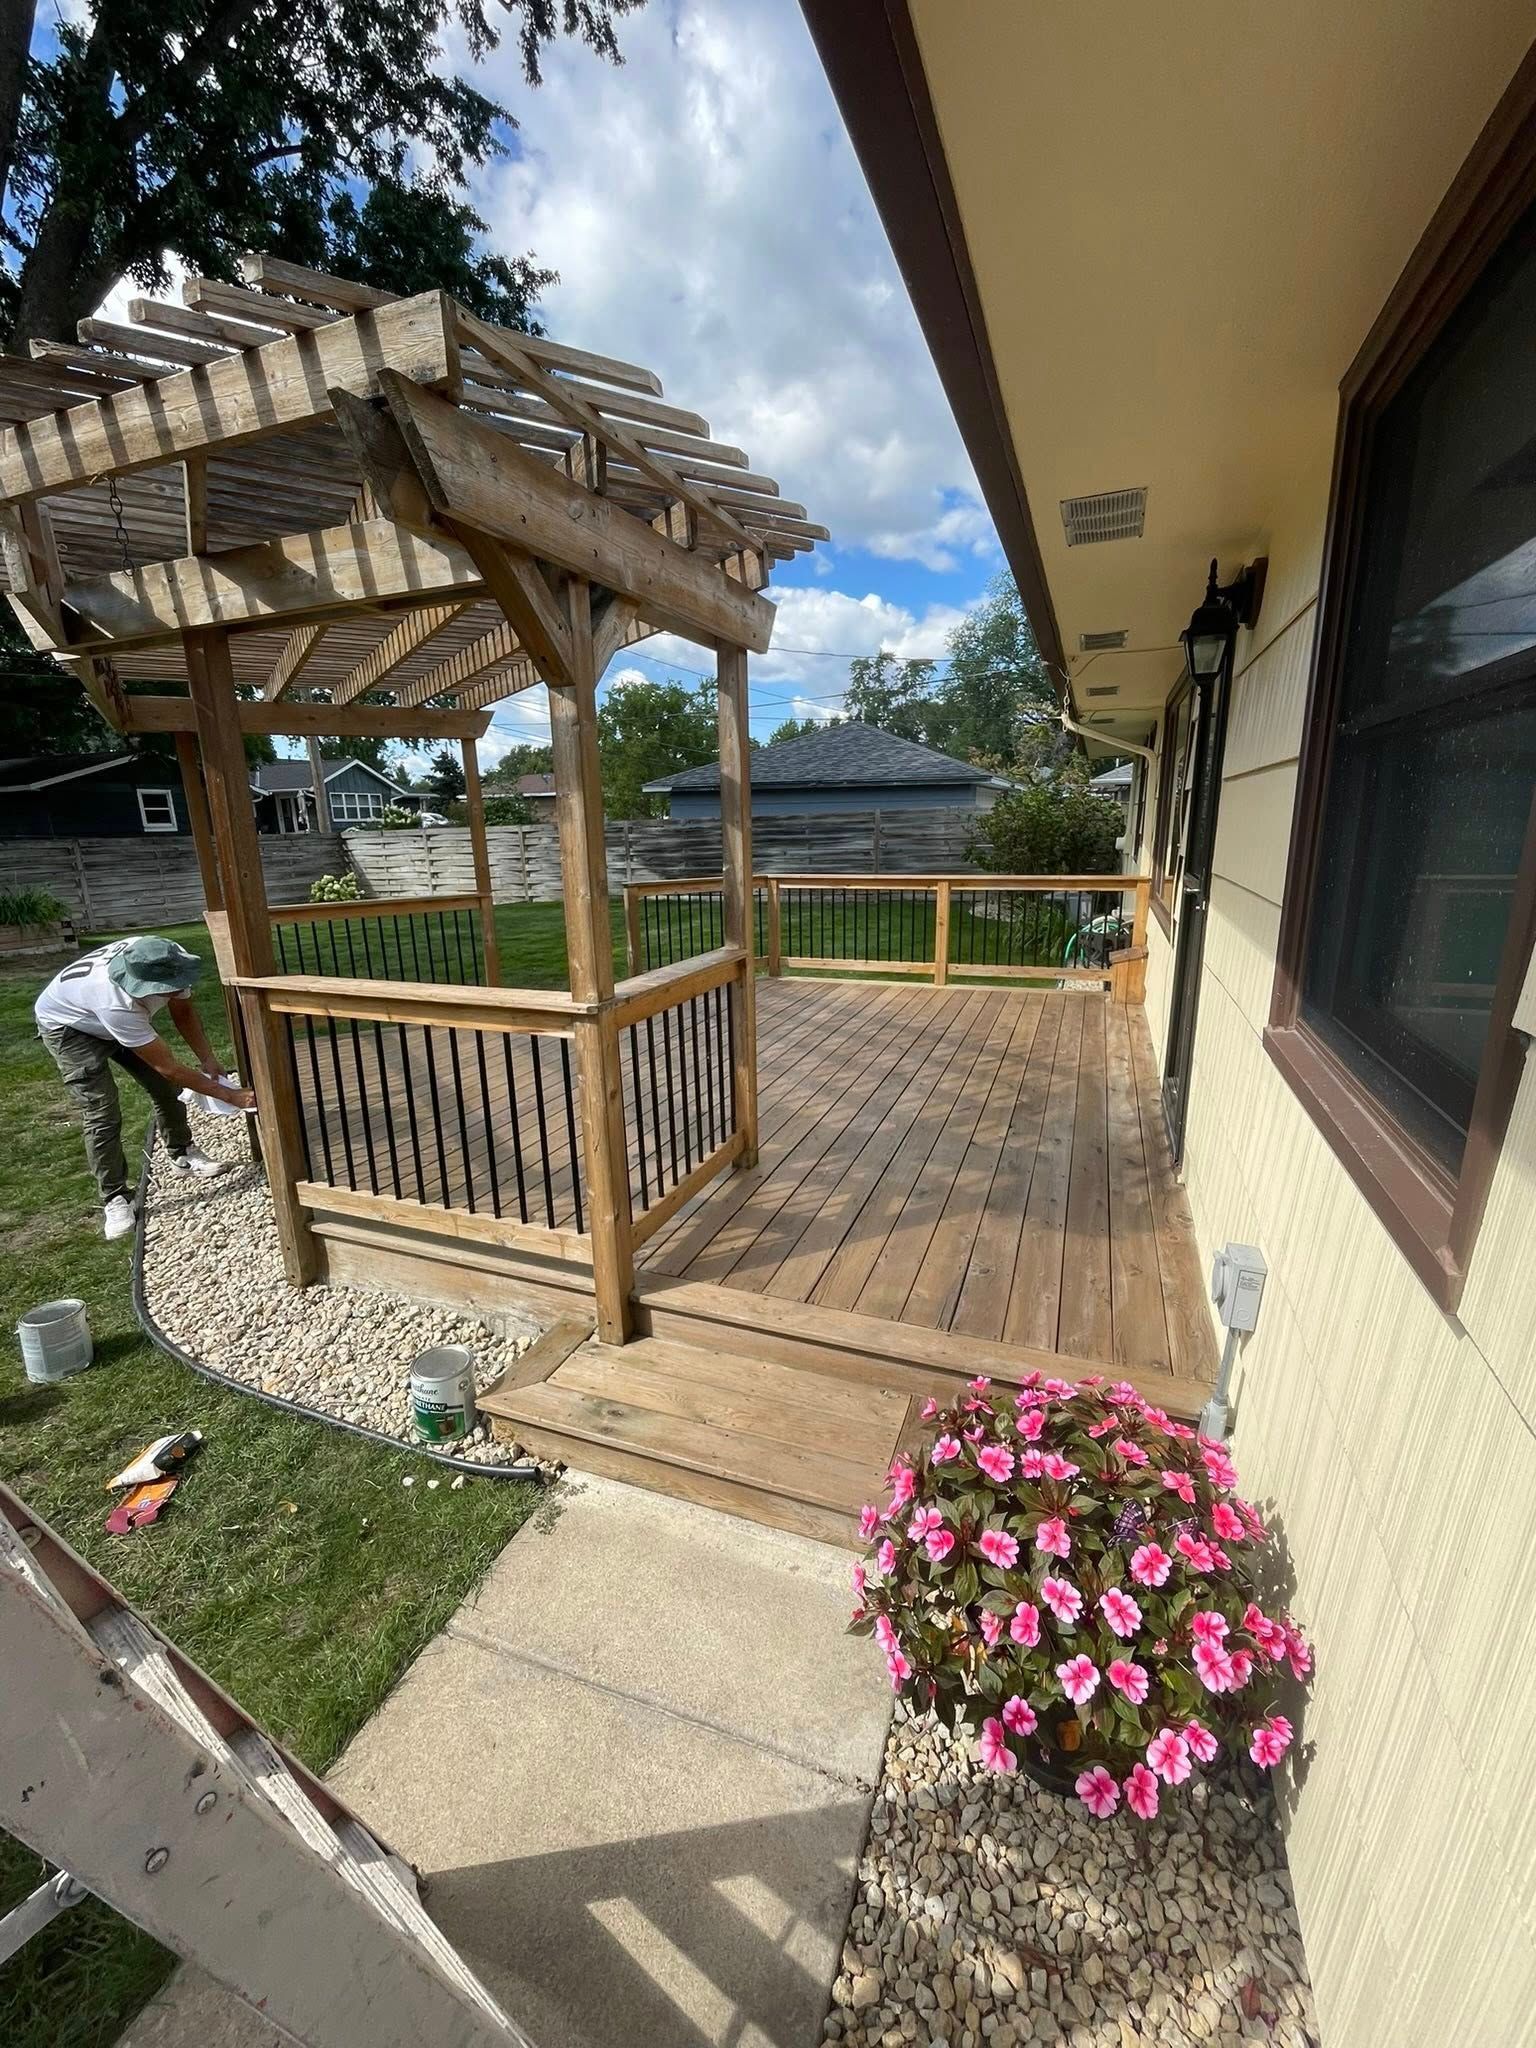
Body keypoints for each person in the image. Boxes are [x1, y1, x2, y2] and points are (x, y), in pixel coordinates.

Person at [36, 934, 257, 1241]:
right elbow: (167, 1066)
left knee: (165, 1088)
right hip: (70, 1028)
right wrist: (231, 1095)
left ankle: (182, 1153)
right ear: (141, 984)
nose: (178, 989)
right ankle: (115, 1197)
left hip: (105, 1012)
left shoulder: (168, 957)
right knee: (102, 1111)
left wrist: (208, 1059)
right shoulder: (116, 1002)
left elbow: (184, 1011)